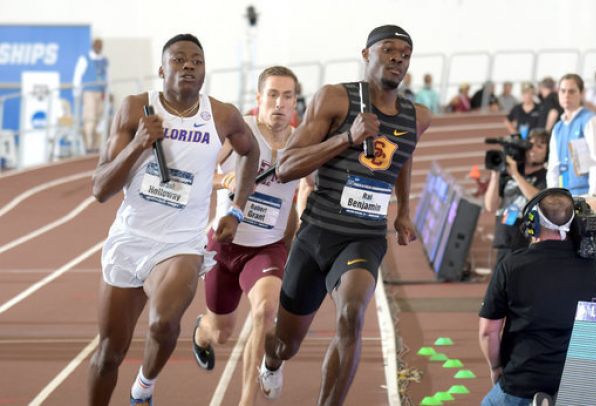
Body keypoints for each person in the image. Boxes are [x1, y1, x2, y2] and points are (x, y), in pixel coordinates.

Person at [258, 25, 431, 405]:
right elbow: (285, 167)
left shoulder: (417, 116)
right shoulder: (335, 99)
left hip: (365, 236)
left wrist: (404, 210)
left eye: (405, 53)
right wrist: (346, 139)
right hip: (317, 232)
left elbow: (403, 156)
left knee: (353, 312)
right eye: (388, 50)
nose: (398, 58)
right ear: (367, 54)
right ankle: (272, 360)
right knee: (286, 344)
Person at [87, 33, 259, 406]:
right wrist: (137, 145)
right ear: (161, 69)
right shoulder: (136, 110)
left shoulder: (222, 115)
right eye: (179, 60)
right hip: (131, 239)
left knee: (164, 323)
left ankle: (143, 389)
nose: (188, 66)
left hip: (181, 242)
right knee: (108, 356)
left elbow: (251, 153)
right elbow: (100, 189)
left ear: (204, 70)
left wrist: (236, 209)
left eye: (196, 60)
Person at [191, 66, 302, 406]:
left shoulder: (302, 143)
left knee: (265, 311)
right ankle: (203, 331)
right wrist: (223, 181)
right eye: (272, 95)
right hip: (224, 244)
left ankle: (245, 400)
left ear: (296, 102)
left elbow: (301, 195)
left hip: (266, 248)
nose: (279, 104)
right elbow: (199, 172)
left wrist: (293, 237)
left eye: (287, 96)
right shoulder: (242, 131)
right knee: (221, 333)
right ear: (259, 99)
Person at [479, 188, 596, 405]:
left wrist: (496, 368)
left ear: (532, 223)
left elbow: (488, 332)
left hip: (523, 382)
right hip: (582, 385)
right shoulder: (594, 267)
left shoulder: (511, 266)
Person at [484, 129, 549, 267]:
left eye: (540, 146)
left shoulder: (547, 175)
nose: (533, 150)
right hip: (505, 241)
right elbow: (490, 206)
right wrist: (496, 175)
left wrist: (516, 175)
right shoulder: (509, 171)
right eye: (530, 145)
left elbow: (537, 199)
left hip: (528, 244)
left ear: (547, 152)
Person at [546, 73, 596, 196]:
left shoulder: (591, 120)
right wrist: (551, 196)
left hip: (586, 195)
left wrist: (595, 195)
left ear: (581, 94)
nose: (566, 95)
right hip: (564, 198)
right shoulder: (558, 127)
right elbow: (553, 167)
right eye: (563, 91)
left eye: (572, 91)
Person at [73, 38, 109, 152]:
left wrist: (108, 91)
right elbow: (78, 75)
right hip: (89, 92)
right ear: (93, 46)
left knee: (100, 120)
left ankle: (96, 145)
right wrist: (77, 91)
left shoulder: (104, 60)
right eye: (97, 45)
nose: (98, 47)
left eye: (100, 45)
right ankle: (88, 145)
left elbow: (108, 76)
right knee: (90, 118)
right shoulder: (85, 59)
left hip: (101, 92)